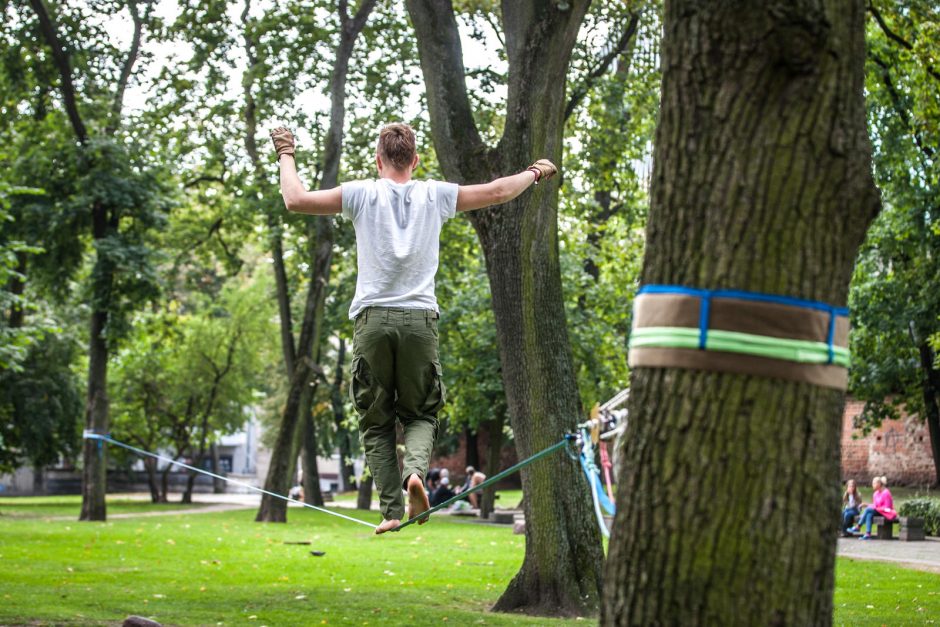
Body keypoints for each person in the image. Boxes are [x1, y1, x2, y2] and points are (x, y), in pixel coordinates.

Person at [270, 123, 557, 534]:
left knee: (375, 420)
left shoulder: (360, 193)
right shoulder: (435, 194)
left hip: (372, 320)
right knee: (421, 413)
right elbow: (496, 191)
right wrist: (535, 172)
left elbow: (295, 199)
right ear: (416, 160)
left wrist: (286, 151)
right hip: (421, 320)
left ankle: (390, 509)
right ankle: (415, 476)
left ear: (378, 160)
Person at [855, 476, 897, 540]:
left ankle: (858, 526)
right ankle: (867, 534)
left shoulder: (886, 493)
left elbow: (888, 508)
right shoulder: (875, 494)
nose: (872, 485)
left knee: (868, 510)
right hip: (878, 511)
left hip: (886, 513)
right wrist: (866, 505)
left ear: (879, 484)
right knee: (869, 514)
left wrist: (876, 508)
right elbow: (875, 505)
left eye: (874, 483)